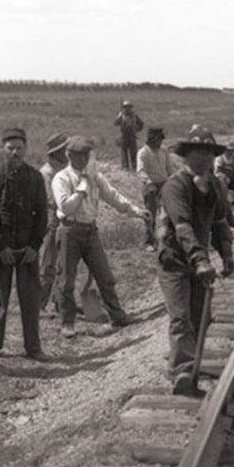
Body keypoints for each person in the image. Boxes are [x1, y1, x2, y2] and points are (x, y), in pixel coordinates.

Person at [157, 126, 234, 396]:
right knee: (181, 319)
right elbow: (182, 227)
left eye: (208, 153)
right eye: (197, 153)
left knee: (201, 316)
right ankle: (182, 374)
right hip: (175, 261)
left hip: (198, 260)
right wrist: (200, 260)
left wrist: (226, 253)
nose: (203, 159)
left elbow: (220, 220)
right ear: (186, 156)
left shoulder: (215, 185)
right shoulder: (175, 186)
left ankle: (190, 367)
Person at [52, 136, 149, 337]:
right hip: (69, 230)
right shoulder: (61, 178)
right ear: (69, 155)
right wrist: (81, 189)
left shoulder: (95, 176)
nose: (83, 159)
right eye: (78, 155)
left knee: (105, 276)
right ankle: (67, 323)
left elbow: (112, 196)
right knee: (66, 280)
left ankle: (117, 315)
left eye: (86, 155)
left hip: (90, 230)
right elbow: (65, 207)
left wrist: (135, 210)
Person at [0, 128, 49, 359]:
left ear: (26, 149)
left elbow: (41, 214)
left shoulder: (35, 177)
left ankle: (33, 348)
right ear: (3, 150)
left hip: (27, 250)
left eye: (19, 148)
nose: (15, 153)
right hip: (3, 250)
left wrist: (34, 246)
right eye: (10, 148)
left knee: (30, 300)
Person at [38, 132, 69, 313]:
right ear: (55, 153)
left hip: (66, 218)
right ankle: (40, 305)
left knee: (64, 264)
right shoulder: (47, 173)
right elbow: (52, 200)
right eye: (63, 150)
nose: (66, 153)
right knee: (48, 264)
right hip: (53, 221)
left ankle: (59, 301)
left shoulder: (65, 169)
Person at [136, 127, 172, 251]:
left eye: (161, 139)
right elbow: (140, 171)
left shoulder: (164, 150)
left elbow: (169, 167)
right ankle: (148, 242)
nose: (160, 142)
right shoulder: (143, 152)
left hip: (163, 184)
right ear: (152, 139)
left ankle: (166, 240)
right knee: (150, 213)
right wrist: (149, 182)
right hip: (149, 186)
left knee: (167, 213)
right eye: (158, 139)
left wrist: (172, 179)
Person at [113, 100, 144, 172]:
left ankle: (134, 167)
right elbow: (115, 123)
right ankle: (125, 167)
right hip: (124, 136)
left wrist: (137, 130)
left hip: (132, 136)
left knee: (133, 152)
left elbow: (141, 124)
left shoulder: (134, 115)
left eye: (129, 107)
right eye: (125, 107)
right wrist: (118, 116)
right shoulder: (121, 115)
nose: (127, 109)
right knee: (124, 152)